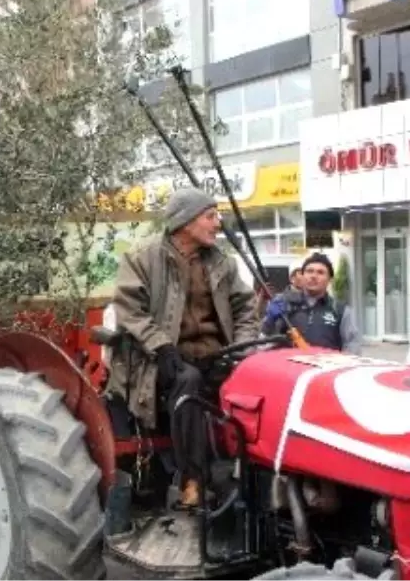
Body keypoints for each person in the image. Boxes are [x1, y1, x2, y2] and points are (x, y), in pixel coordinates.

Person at [109, 188, 257, 508]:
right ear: (186, 222)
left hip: (217, 355)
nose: (218, 223)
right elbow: (130, 312)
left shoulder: (222, 263)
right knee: (188, 382)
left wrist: (242, 350)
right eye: (210, 216)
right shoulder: (142, 259)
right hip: (158, 360)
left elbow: (246, 308)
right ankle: (194, 480)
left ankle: (251, 475)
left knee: (254, 386)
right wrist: (161, 347)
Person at [261, 253, 362, 355]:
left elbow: (352, 346)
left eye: (320, 272)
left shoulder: (340, 310)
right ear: (303, 276)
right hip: (288, 368)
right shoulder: (284, 303)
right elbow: (262, 343)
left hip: (323, 369)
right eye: (309, 271)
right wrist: (269, 322)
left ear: (330, 279)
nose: (313, 276)